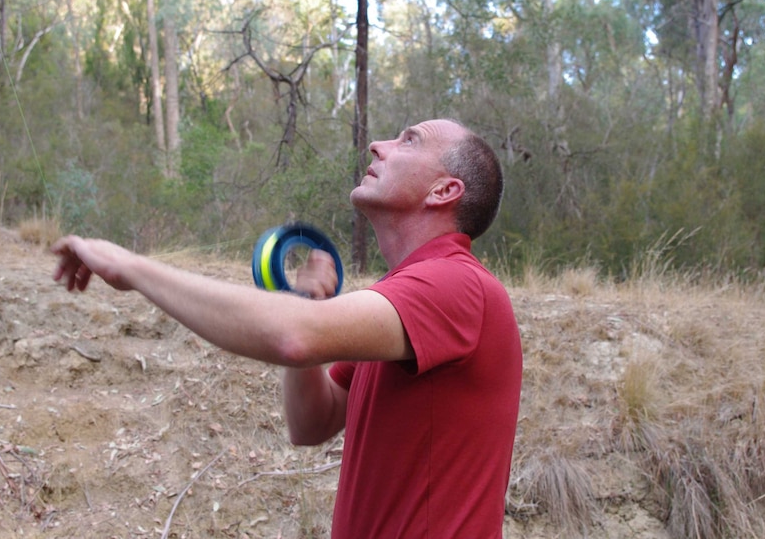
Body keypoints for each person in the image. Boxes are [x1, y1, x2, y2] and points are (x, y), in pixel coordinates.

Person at [51, 118, 523, 538]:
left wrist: (130, 267)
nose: (378, 146)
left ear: (444, 191)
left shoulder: (457, 283)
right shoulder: (401, 298)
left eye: (409, 140)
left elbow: (294, 337)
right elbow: (311, 422)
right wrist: (305, 303)